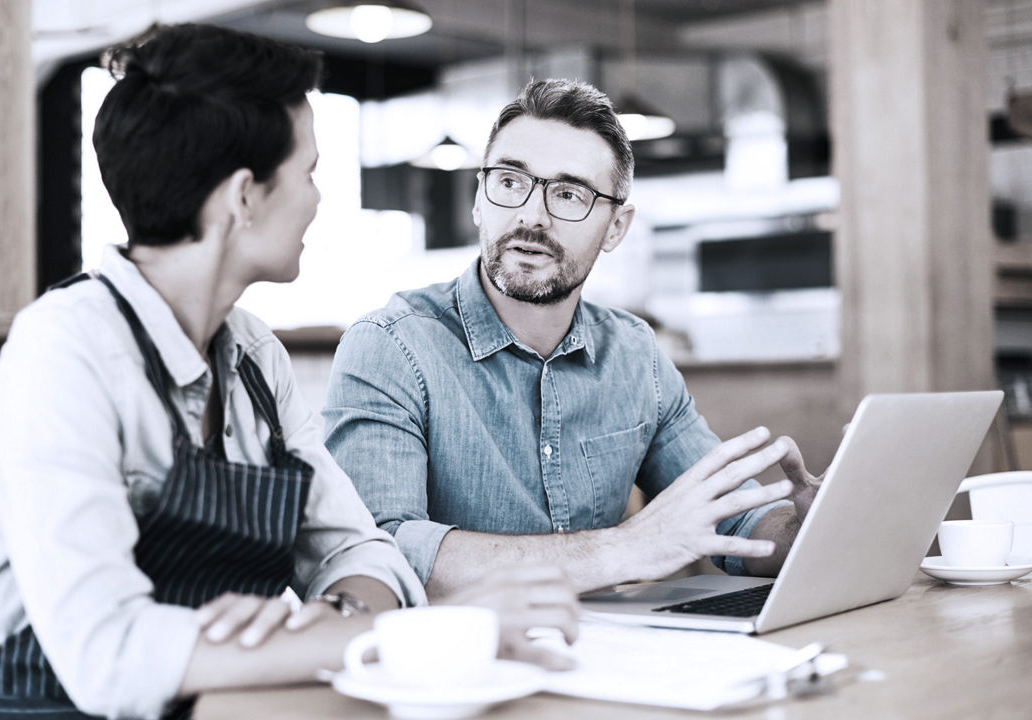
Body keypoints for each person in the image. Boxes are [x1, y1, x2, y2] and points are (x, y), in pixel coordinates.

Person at [0, 26, 577, 720]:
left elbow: (360, 552)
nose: (317, 199)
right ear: (244, 197)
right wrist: (412, 633)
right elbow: (109, 658)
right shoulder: (65, 347)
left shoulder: (251, 354)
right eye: (309, 173)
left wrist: (337, 617)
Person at [322, 78, 822, 600]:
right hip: (464, 651)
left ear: (616, 228)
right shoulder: (390, 347)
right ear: (478, 200)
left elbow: (735, 521)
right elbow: (379, 552)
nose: (531, 216)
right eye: (510, 181)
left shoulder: (634, 355)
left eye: (568, 194)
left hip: (604, 643)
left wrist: (809, 526)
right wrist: (622, 548)